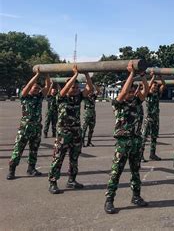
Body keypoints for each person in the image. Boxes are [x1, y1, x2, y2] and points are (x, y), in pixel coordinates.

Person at [104, 62, 149, 214]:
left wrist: (142, 77)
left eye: (133, 91)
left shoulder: (137, 101)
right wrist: (131, 74)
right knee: (116, 172)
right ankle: (109, 200)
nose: (132, 93)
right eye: (130, 91)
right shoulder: (118, 103)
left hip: (136, 141)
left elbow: (146, 90)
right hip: (123, 142)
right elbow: (122, 93)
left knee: (135, 171)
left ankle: (136, 196)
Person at [48, 65, 93, 194]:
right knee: (58, 158)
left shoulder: (78, 97)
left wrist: (86, 74)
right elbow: (65, 89)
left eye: (77, 87)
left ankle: (72, 180)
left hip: (76, 133)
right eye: (73, 87)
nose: (75, 89)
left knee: (74, 158)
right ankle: (53, 182)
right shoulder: (61, 97)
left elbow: (89, 88)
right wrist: (74, 75)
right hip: (63, 133)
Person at [7, 69, 51, 180]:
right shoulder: (25, 96)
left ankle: (31, 169)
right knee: (18, 149)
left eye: (38, 88)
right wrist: (37, 75)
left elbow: (48, 85)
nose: (36, 89)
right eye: (34, 88)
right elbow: (28, 85)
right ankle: (12, 170)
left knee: (34, 149)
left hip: (36, 128)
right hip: (24, 128)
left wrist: (47, 75)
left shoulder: (39, 97)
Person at [141, 73, 166, 162]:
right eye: (154, 86)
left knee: (154, 137)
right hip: (148, 119)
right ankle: (141, 155)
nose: (155, 87)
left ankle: (152, 154)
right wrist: (153, 77)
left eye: (156, 86)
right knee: (144, 137)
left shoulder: (157, 94)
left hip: (155, 119)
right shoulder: (147, 94)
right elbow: (147, 86)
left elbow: (164, 85)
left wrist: (160, 77)